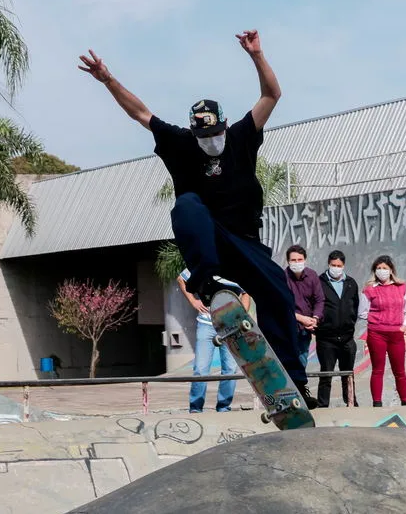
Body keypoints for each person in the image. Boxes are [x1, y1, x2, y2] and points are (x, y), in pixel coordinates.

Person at [78, 30, 318, 408]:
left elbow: (272, 95)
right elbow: (140, 113)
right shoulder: (180, 142)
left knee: (279, 293)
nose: (211, 140)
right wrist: (108, 80)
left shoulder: (242, 135)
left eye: (216, 132)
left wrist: (257, 55)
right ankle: (208, 283)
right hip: (209, 241)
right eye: (203, 134)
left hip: (245, 243)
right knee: (187, 204)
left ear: (225, 124)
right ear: (194, 131)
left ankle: (293, 384)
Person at [177, 269, 250, 413]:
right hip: (206, 323)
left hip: (230, 326)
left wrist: (241, 315)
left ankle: (224, 407)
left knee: (230, 369)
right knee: (201, 368)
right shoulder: (204, 262)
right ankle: (196, 408)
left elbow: (246, 293)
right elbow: (181, 279)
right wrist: (193, 301)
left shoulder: (238, 265)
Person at [359, 255, 406, 407]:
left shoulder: (401, 287)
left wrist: (404, 326)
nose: (381, 271)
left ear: (391, 270)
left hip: (396, 334)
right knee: (378, 370)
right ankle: (377, 403)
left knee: (399, 370)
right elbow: (362, 312)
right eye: (378, 268)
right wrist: (377, 319)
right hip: (377, 334)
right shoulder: (369, 289)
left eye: (384, 268)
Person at [315, 250, 360, 407]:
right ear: (329, 264)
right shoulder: (319, 282)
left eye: (339, 265)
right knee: (326, 373)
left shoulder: (351, 283)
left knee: (348, 373)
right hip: (326, 338)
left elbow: (355, 306)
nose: (336, 268)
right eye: (333, 265)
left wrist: (350, 324)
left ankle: (351, 402)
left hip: (347, 338)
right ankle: (323, 405)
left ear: (343, 265)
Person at [284, 244, 325, 368]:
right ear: (288, 261)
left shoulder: (312, 276)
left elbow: (319, 300)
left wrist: (315, 318)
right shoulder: (282, 277)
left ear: (305, 260)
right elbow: (280, 305)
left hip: (305, 330)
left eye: (300, 259)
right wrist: (301, 318)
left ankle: (300, 381)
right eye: (293, 260)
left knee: (302, 362)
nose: (297, 263)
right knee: (288, 363)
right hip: (288, 327)